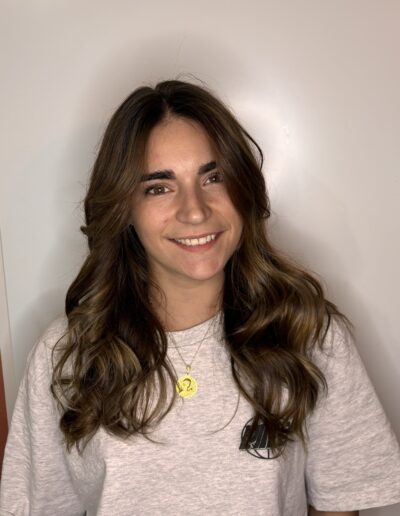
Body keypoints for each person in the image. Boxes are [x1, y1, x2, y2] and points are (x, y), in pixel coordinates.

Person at [1, 80, 400, 516]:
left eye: (214, 177)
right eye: (158, 187)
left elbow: (340, 504)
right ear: (124, 208)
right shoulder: (65, 356)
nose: (195, 210)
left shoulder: (306, 333)